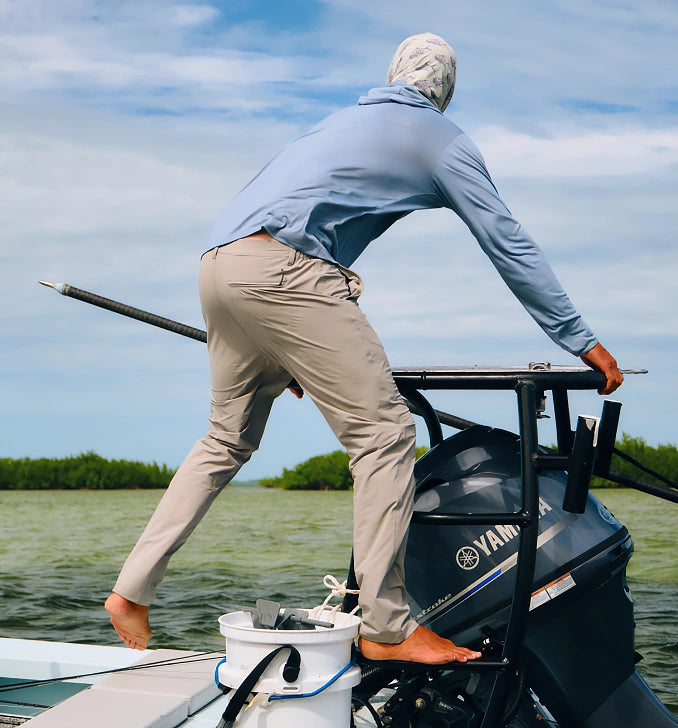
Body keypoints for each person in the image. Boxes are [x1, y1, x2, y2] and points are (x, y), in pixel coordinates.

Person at [105, 33, 623, 661]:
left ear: (394, 74)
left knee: (224, 441)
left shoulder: (340, 122)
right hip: (287, 272)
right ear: (445, 91)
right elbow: (508, 243)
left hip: (221, 263)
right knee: (385, 436)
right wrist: (580, 339)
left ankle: (131, 591)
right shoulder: (442, 140)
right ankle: (386, 627)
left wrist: (289, 346)